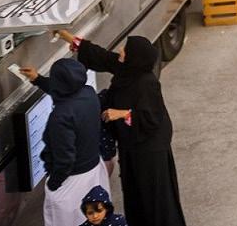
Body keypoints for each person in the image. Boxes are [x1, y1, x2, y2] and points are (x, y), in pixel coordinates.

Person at [56, 32, 186, 226]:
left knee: (154, 199)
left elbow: (152, 119)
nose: (120, 50)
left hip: (150, 152)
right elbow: (102, 56)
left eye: (125, 49)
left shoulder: (147, 83)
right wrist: (67, 37)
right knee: (135, 194)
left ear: (135, 57)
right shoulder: (127, 69)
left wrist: (123, 114)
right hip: (132, 146)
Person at [17, 59, 107, 226]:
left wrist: (54, 184)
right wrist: (38, 79)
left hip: (71, 180)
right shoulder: (88, 93)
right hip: (94, 169)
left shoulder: (60, 117)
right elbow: (67, 89)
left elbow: (65, 159)